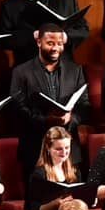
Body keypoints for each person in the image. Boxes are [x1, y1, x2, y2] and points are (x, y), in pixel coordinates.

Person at [11, 21, 91, 173]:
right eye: (50, 43)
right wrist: (46, 120)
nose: (55, 48)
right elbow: (17, 109)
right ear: (38, 42)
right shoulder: (21, 72)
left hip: (69, 150)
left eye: (60, 44)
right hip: (35, 147)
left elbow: (84, 105)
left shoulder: (75, 70)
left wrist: (70, 119)